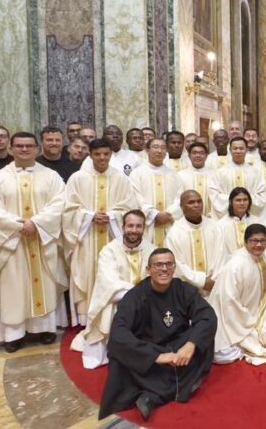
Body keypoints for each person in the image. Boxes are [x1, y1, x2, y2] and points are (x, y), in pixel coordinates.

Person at [99, 248, 217, 421]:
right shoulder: (135, 296)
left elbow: (207, 316)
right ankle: (180, 384)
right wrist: (156, 356)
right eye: (158, 265)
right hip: (150, 351)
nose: (164, 269)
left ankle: (153, 395)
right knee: (121, 353)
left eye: (169, 264)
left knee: (203, 333)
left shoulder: (183, 289)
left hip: (178, 349)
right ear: (148, 270)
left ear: (174, 268)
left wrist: (190, 345)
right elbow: (118, 332)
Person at [0, 132, 67, 352]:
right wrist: (17, 225)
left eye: (29, 146)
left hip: (42, 240)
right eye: (19, 146)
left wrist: (37, 223)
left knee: (45, 284)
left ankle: (45, 329)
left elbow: (60, 203)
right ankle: (14, 335)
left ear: (37, 149)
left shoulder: (51, 176)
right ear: (11, 149)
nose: (24, 149)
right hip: (12, 242)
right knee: (13, 288)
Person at [63, 138, 140, 325]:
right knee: (86, 274)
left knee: (114, 273)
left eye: (106, 154)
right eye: (97, 154)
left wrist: (112, 216)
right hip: (86, 237)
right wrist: (89, 216)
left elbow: (130, 206)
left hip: (112, 237)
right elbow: (68, 209)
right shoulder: (77, 178)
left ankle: (113, 316)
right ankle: (87, 319)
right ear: (90, 155)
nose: (102, 158)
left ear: (111, 154)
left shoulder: (121, 178)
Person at [70, 210, 155, 368]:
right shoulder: (109, 250)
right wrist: (137, 294)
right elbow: (109, 283)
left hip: (147, 302)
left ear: (144, 228)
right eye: (130, 226)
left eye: (138, 226)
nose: (134, 230)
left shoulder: (152, 250)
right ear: (123, 227)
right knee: (109, 306)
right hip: (118, 301)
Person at [209, 224, 266, 365]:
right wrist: (248, 321)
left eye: (262, 241)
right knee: (222, 355)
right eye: (254, 241)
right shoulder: (236, 265)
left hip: (256, 314)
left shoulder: (265, 255)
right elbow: (228, 302)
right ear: (245, 242)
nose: (259, 245)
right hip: (233, 318)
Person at [165, 191, 224, 297]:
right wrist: (202, 282)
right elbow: (177, 265)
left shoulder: (215, 227)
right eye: (191, 202)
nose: (196, 205)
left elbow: (221, 255)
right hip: (186, 292)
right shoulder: (174, 233)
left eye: (199, 201)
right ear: (181, 206)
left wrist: (215, 279)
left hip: (214, 288)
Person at [130, 138, 182, 247]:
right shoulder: (137, 174)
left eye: (163, 148)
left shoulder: (174, 175)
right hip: (147, 226)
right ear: (147, 150)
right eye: (155, 147)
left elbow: (179, 199)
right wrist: (154, 214)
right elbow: (136, 196)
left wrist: (168, 214)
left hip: (169, 225)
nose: (159, 151)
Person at [207, 137, 266, 219]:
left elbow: (262, 194)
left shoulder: (256, 172)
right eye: (235, 148)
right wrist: (235, 202)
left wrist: (244, 202)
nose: (238, 151)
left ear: (246, 150)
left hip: (250, 218)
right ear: (230, 150)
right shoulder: (220, 172)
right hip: (227, 218)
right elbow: (215, 195)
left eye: (241, 148)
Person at [177, 141, 213, 217]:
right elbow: (178, 199)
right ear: (189, 156)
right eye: (194, 153)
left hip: (210, 218)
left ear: (206, 156)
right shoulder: (181, 175)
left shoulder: (214, 175)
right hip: (187, 218)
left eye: (201, 153)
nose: (198, 156)